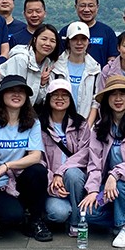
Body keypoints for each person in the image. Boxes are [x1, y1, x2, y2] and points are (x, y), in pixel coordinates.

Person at [79, 75, 125, 248]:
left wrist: (114, 175)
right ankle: (122, 216)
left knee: (122, 184)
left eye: (122, 94)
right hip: (109, 188)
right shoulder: (100, 128)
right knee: (88, 213)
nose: (118, 99)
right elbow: (95, 164)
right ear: (107, 99)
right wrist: (93, 190)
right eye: (113, 94)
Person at [0, 75, 52, 242]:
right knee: (12, 216)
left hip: (18, 176)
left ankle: (35, 220)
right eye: (11, 91)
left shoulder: (32, 121)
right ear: (2, 95)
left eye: (21, 91)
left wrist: (7, 165)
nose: (16, 94)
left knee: (39, 170)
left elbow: (35, 156)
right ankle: (16, 214)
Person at [38, 80, 90, 236]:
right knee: (58, 213)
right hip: (52, 183)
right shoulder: (39, 125)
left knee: (72, 173)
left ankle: (76, 222)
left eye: (64, 95)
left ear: (70, 99)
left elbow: (84, 153)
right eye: (55, 94)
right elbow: (37, 158)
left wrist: (60, 173)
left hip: (75, 180)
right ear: (48, 98)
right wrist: (52, 180)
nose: (60, 98)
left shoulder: (80, 124)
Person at [51, 22, 100, 124]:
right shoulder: (55, 67)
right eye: (74, 39)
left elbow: (95, 101)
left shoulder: (95, 69)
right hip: (58, 123)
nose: (79, 43)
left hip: (85, 123)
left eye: (83, 39)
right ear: (68, 42)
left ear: (88, 42)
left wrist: (87, 127)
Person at [0, 24, 60, 105]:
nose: (48, 43)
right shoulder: (20, 59)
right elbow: (13, 92)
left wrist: (41, 84)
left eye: (52, 41)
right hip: (5, 108)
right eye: (44, 39)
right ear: (35, 39)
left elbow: (36, 100)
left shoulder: (47, 64)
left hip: (25, 109)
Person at [58, 0, 118, 68]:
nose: (86, 10)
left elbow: (113, 60)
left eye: (90, 6)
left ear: (97, 7)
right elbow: (58, 58)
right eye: (82, 5)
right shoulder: (66, 31)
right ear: (76, 7)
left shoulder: (107, 32)